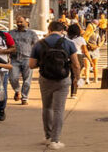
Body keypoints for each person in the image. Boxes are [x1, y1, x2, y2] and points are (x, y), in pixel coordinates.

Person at [33, 19, 79, 149]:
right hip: (63, 80)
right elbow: (76, 64)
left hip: (45, 79)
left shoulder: (39, 44)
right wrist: (77, 77)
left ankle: (47, 136)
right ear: (62, 31)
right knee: (58, 110)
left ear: (49, 30)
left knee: (47, 107)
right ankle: (55, 140)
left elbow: (31, 65)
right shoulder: (69, 43)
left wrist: (43, 63)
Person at [8, 16, 38, 105]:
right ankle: (17, 91)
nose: (19, 24)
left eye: (21, 22)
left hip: (27, 59)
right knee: (13, 78)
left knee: (27, 80)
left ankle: (24, 97)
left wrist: (36, 58)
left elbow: (36, 45)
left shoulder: (32, 33)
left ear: (26, 22)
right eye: (18, 22)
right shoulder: (10, 33)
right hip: (14, 59)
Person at [65, 24, 87, 98]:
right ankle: (73, 93)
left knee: (66, 74)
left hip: (67, 56)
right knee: (75, 75)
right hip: (78, 56)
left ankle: (64, 91)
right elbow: (85, 51)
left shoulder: (66, 38)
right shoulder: (81, 39)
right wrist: (90, 60)